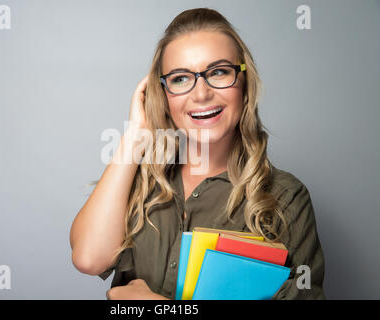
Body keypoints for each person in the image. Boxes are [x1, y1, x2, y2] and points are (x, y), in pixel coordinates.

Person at [70, 7, 326, 300]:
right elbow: (88, 259)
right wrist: (133, 139)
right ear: (163, 95)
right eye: (180, 78)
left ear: (244, 84)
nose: (201, 94)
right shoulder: (136, 180)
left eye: (218, 72)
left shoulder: (286, 197)